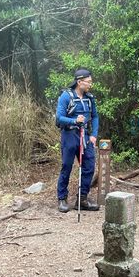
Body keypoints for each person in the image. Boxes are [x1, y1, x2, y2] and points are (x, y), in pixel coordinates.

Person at [55, 69, 100, 213]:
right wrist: (74, 120)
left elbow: (95, 117)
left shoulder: (90, 98)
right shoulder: (66, 96)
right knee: (67, 166)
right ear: (79, 82)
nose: (90, 85)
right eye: (88, 82)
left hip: (85, 136)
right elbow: (59, 118)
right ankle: (62, 198)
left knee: (89, 165)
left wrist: (93, 134)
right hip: (69, 134)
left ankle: (82, 199)